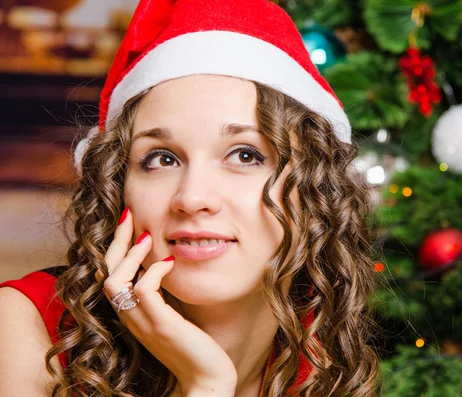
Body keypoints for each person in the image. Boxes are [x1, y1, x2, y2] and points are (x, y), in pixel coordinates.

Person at [0, 0, 381, 396]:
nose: (192, 197)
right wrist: (205, 385)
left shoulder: (322, 357)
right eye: (161, 159)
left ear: (311, 189)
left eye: (245, 155)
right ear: (117, 185)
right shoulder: (25, 327)